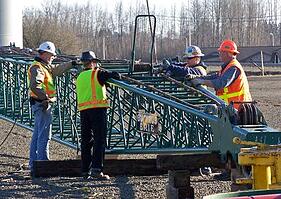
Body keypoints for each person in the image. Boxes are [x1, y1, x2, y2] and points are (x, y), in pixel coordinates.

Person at [28, 41, 78, 173]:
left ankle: (34, 165)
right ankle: (43, 165)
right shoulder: (38, 67)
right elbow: (35, 85)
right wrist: (45, 98)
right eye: (51, 55)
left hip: (40, 103)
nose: (52, 57)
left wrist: (71, 64)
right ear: (43, 53)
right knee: (44, 135)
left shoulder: (44, 66)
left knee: (37, 135)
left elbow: (56, 70)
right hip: (42, 104)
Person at [76, 51, 121, 180]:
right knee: (99, 140)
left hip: (84, 111)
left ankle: (85, 170)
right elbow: (116, 75)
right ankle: (97, 170)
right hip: (97, 110)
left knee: (86, 141)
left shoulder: (80, 76)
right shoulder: (97, 73)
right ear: (93, 62)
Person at [191, 40, 252, 110]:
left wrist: (202, 82)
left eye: (221, 52)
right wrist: (197, 77)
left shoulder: (233, 68)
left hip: (238, 109)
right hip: (231, 108)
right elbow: (214, 76)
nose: (219, 54)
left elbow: (221, 83)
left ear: (228, 53)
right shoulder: (228, 66)